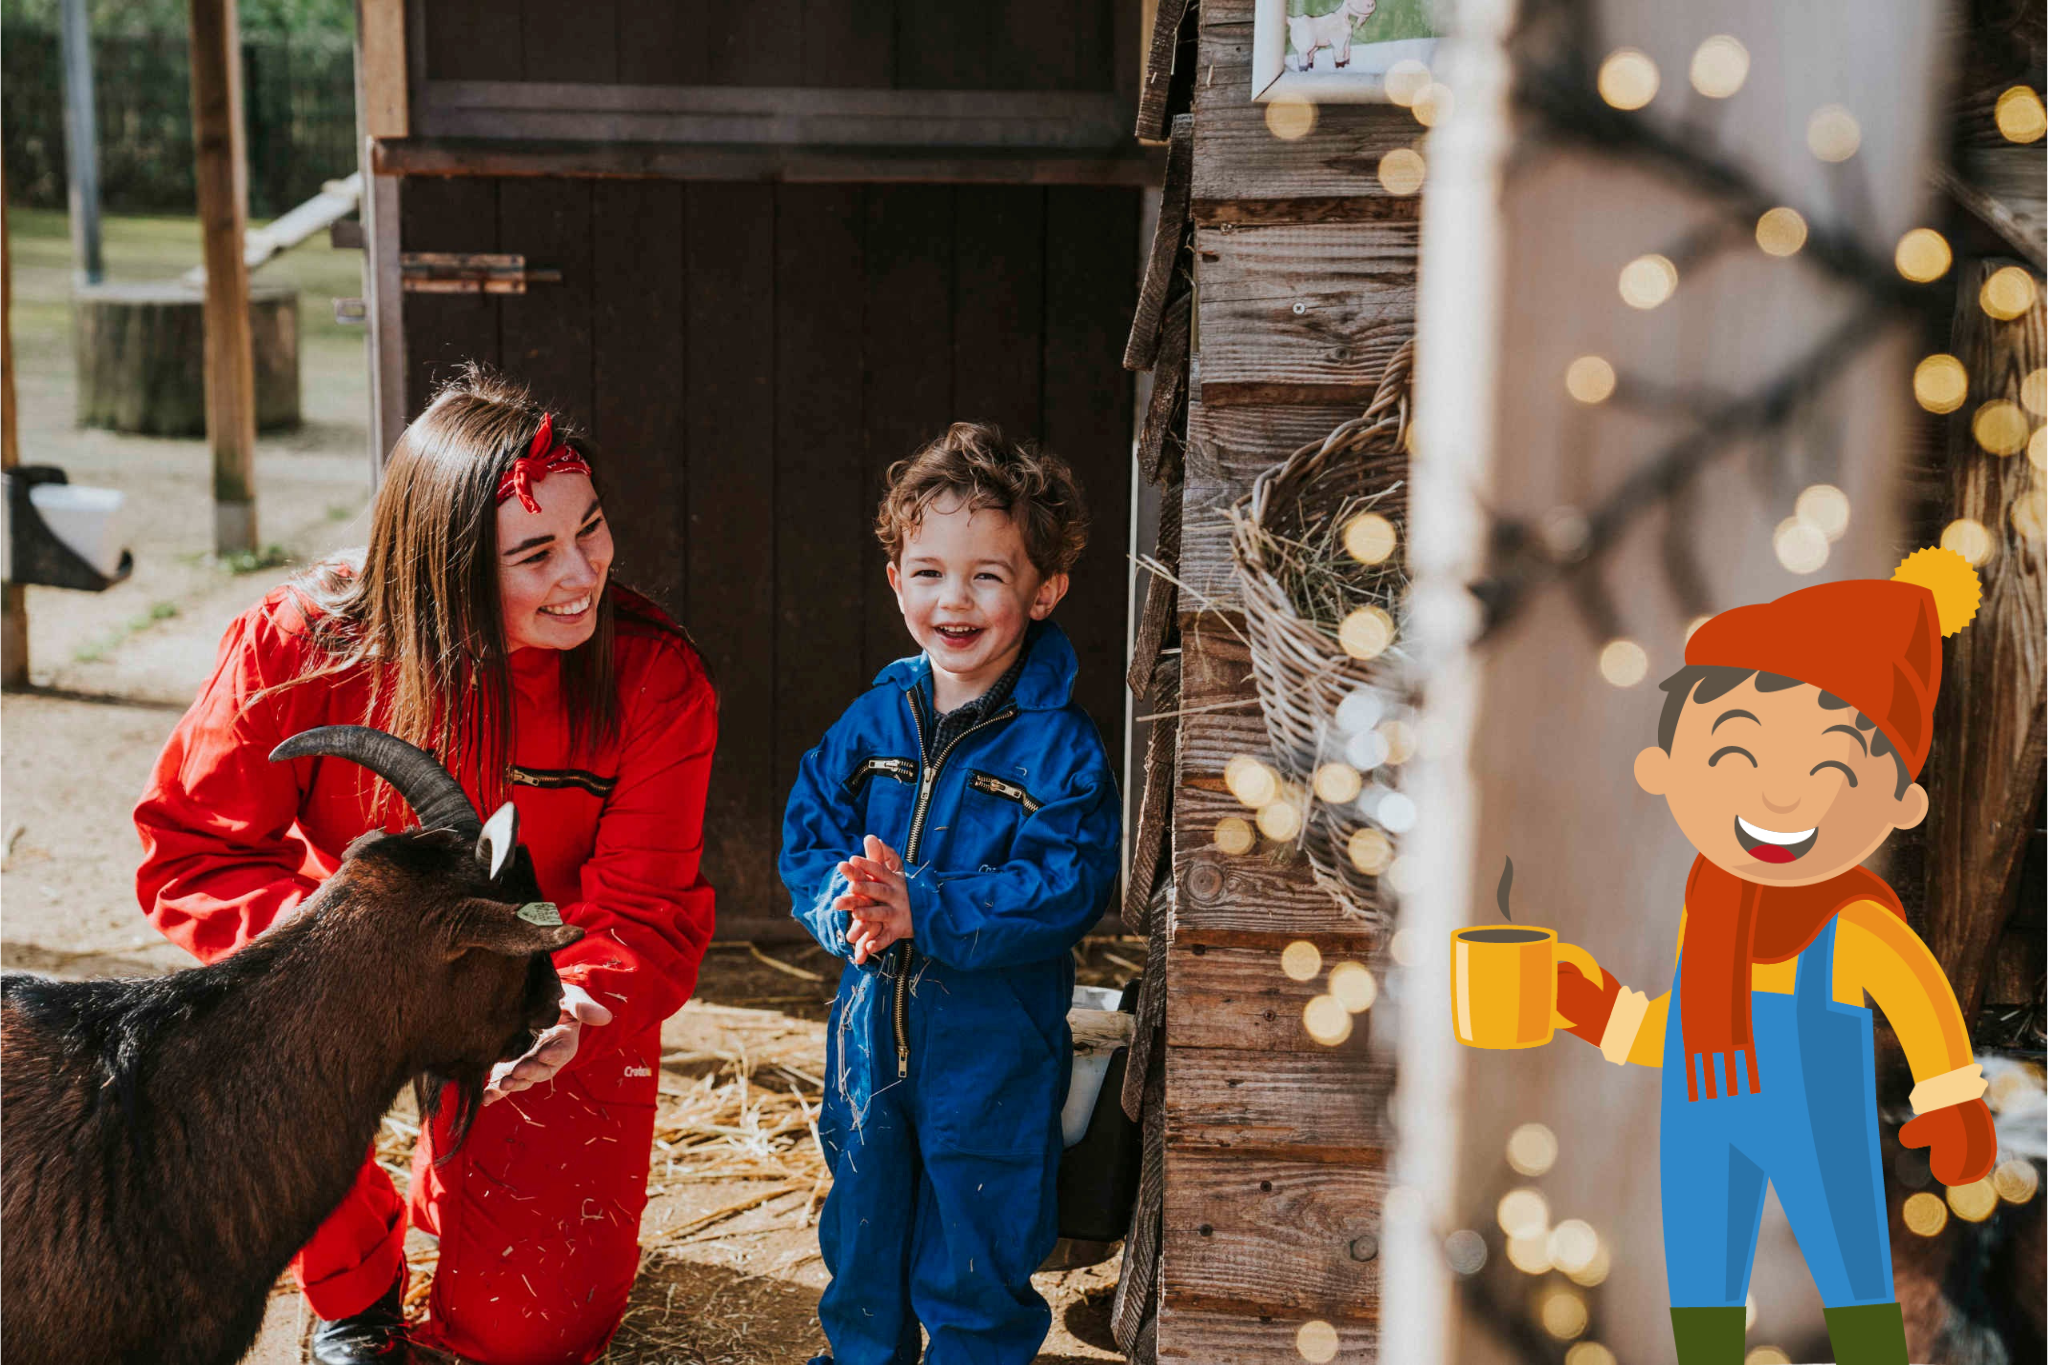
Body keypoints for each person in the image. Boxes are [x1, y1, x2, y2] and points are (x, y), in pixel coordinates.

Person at [133, 369, 718, 1365]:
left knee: (530, 1331)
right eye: (534, 552)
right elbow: (195, 848)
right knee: (235, 1045)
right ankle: (353, 1287)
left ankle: (460, 1169)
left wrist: (577, 999)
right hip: (344, 963)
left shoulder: (652, 675)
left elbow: (648, 911)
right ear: (443, 568)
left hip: (546, 973)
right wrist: (315, 955)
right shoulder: (301, 643)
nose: (580, 574)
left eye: (592, 530)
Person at [1551, 547, 1998, 1365]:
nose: (1781, 796)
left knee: (1851, 1268)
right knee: (1700, 1280)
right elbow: (1679, 1025)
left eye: (1829, 768)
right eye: (1734, 756)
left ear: (1900, 799)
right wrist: (1598, 1010)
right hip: (1700, 1125)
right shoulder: (1706, 903)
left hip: (1814, 1129)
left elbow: (1921, 997)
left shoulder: (1852, 923)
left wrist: (1954, 1100)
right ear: (1668, 767)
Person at [780, 423, 1122, 1365]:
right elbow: (809, 826)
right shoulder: (875, 715)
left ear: (1044, 591)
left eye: (988, 576)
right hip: (868, 1036)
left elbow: (1067, 882)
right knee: (862, 1236)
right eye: (928, 572)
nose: (954, 599)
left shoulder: (1059, 746)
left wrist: (924, 904)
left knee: (977, 1253)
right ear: (896, 580)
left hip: (992, 1052)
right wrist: (840, 902)